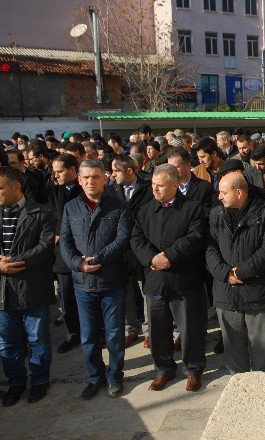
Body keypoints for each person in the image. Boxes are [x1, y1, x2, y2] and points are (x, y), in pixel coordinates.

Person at [130, 164, 207, 391]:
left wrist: (169, 257)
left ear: (174, 185)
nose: (155, 189)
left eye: (160, 185)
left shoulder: (192, 208)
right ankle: (163, 369)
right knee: (158, 330)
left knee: (189, 329)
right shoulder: (144, 211)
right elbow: (136, 239)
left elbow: (194, 237)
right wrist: (153, 259)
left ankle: (193, 370)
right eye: (153, 184)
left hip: (183, 281)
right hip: (155, 282)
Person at [60, 159, 130, 400]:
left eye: (96, 177)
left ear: (105, 178)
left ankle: (115, 376)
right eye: (86, 177)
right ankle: (94, 377)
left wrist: (99, 258)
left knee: (114, 334)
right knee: (88, 336)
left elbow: (122, 239)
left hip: (111, 281)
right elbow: (65, 241)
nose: (91, 181)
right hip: (83, 284)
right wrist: (79, 264)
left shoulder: (119, 206)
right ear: (79, 180)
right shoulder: (71, 208)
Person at [206, 171, 265, 374]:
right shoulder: (216, 214)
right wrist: (225, 273)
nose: (219, 196)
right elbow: (210, 248)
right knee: (233, 350)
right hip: (226, 291)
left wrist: (242, 271)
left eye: (223, 192)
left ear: (239, 193)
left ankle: (262, 391)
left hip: (257, 293)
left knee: (261, 349)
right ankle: (238, 389)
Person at [0, 167, 56, 406]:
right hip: (3, 289)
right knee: (8, 341)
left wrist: (14, 261)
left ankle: (40, 380)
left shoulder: (41, 213)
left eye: (0, 187)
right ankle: (15, 383)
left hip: (32, 287)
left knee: (37, 338)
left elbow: (45, 247)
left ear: (15, 187)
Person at [109, 154, 153, 348]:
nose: (112, 174)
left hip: (142, 247)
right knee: (125, 290)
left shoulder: (148, 188)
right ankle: (129, 328)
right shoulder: (110, 191)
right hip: (120, 249)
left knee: (147, 291)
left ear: (129, 170)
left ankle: (150, 330)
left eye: (116, 170)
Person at [48, 154, 83, 354]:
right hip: (62, 255)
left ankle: (96, 333)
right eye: (54, 172)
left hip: (83, 251)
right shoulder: (53, 191)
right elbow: (49, 216)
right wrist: (55, 232)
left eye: (60, 171)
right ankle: (73, 334)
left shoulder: (84, 189)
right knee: (67, 296)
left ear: (72, 170)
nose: (57, 175)